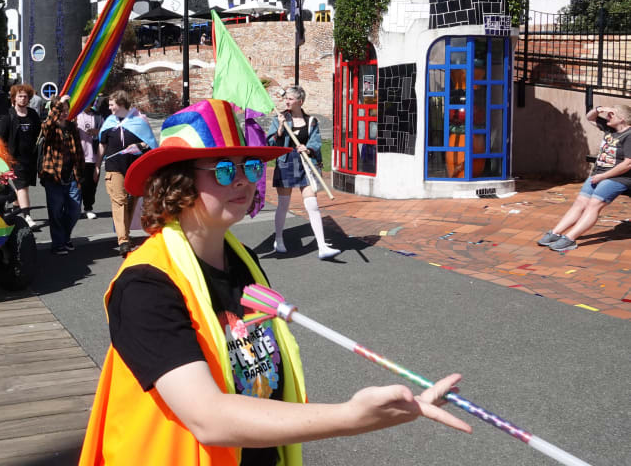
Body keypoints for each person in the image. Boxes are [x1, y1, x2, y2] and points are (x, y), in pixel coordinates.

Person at [79, 99, 471, 465]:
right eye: (224, 169)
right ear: (178, 182)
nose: (243, 181)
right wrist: (351, 416)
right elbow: (208, 417)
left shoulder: (240, 260)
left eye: (249, 166)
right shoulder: (144, 285)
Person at [539, 104, 631, 252]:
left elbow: (628, 164)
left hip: (618, 177)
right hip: (598, 174)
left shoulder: (629, 135)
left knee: (594, 204)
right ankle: (555, 233)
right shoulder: (610, 129)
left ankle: (570, 238)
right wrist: (599, 109)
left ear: (622, 119)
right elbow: (590, 117)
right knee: (580, 202)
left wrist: (603, 176)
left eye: (612, 114)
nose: (608, 116)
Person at [267, 85, 341, 260]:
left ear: (300, 101)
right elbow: (271, 143)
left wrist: (307, 148)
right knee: (284, 204)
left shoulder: (311, 121)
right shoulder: (280, 118)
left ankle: (322, 246)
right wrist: (279, 130)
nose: (287, 101)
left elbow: (316, 142)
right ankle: (278, 239)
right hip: (285, 163)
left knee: (312, 205)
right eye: (286, 98)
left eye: (291, 99)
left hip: (305, 164)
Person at [97, 90, 157, 256]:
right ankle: (123, 240)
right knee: (119, 201)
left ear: (121, 104)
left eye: (111, 104)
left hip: (134, 167)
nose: (109, 107)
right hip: (113, 166)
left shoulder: (139, 122)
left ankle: (126, 234)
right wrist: (96, 165)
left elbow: (150, 144)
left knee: (131, 200)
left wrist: (139, 147)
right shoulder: (108, 122)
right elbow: (102, 144)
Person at [38, 95, 83, 255]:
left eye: (66, 110)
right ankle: (58, 243)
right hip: (53, 176)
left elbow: (79, 151)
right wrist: (59, 102)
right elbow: (47, 125)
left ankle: (65, 236)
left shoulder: (72, 127)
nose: (64, 113)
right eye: (61, 110)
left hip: (72, 176)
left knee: (75, 211)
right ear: (54, 110)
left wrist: (81, 173)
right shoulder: (49, 127)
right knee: (56, 212)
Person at [0, 83, 41, 226]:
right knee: (21, 187)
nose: (23, 99)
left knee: (24, 187)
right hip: (15, 159)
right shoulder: (8, 117)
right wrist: (3, 157)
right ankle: (27, 216)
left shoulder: (33, 115)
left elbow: (40, 134)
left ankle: (15, 210)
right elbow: (0, 139)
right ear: (14, 98)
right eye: (20, 96)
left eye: (25, 96)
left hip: (30, 158)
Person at [75, 102, 103, 219]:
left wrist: (98, 132)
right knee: (77, 185)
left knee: (91, 184)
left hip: (93, 155)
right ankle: (75, 209)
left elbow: (105, 131)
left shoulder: (97, 116)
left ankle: (88, 208)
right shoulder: (75, 115)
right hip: (78, 156)